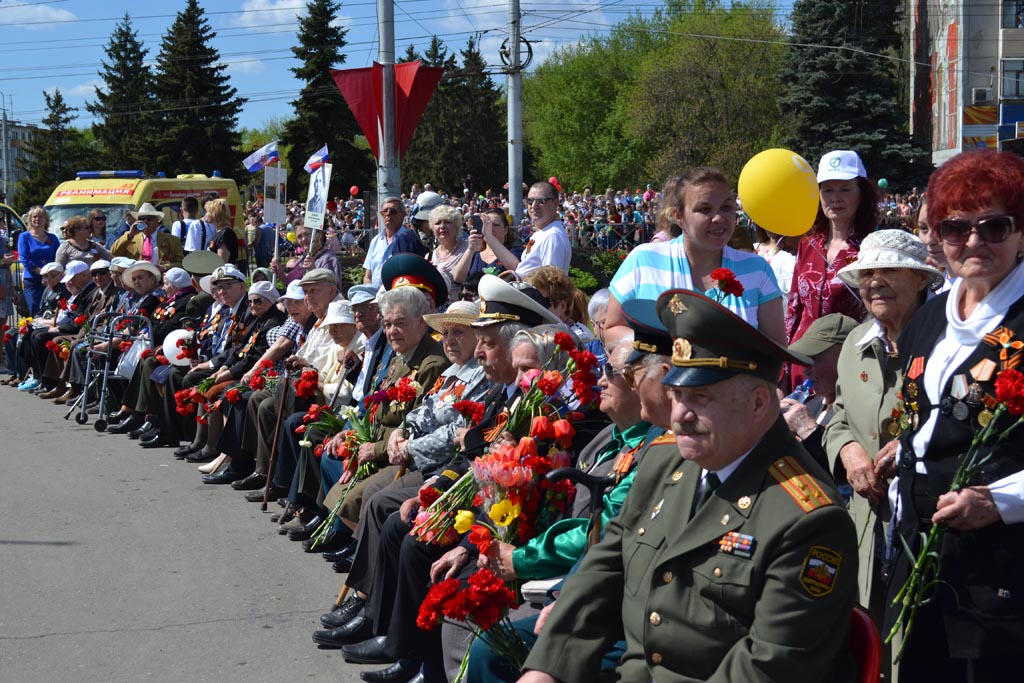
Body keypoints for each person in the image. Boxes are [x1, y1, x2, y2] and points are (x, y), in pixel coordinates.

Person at [518, 288, 858, 683]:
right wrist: (545, 669)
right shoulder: (664, 461)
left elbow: (770, 666)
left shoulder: (807, 519)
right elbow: (605, 571)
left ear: (759, 403)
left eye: (700, 397)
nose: (680, 415)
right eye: (676, 394)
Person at [884, 149, 1024, 680]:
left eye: (994, 226)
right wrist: (906, 444)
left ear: (1021, 232)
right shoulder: (929, 317)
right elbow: (926, 410)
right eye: (955, 227)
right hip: (921, 560)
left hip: (1004, 577)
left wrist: (1003, 501)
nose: (973, 242)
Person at [604, 168, 786, 343]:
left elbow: (775, 346)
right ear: (679, 216)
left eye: (726, 207)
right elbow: (612, 329)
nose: (718, 218)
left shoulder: (757, 269)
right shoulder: (643, 260)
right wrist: (660, 350)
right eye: (704, 209)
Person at [786, 150, 875, 349]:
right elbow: (794, 308)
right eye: (827, 190)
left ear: (862, 193)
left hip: (848, 359)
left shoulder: (871, 249)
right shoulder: (807, 244)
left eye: (845, 189)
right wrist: (785, 364)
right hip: (801, 357)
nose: (836, 198)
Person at [363, 197, 428, 288]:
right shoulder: (375, 241)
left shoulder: (410, 240)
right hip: (374, 297)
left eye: (392, 211)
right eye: (384, 212)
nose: (388, 215)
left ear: (403, 214)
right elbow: (367, 276)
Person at [515, 181, 572, 278]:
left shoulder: (552, 236)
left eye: (540, 201)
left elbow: (551, 282)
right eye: (529, 201)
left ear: (555, 204)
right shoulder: (542, 232)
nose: (533, 206)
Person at [451, 208, 522, 282]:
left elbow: (516, 270)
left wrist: (489, 237)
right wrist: (470, 249)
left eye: (495, 225)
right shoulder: (475, 255)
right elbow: (458, 279)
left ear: (506, 229)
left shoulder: (516, 252)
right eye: (486, 224)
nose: (490, 228)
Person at [111, 203, 184, 270]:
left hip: (161, 279)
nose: (145, 221)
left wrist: (164, 267)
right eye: (141, 218)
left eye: (149, 218)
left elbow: (180, 263)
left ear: (157, 221)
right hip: (136, 278)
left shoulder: (172, 240)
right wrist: (130, 235)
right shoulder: (129, 238)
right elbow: (114, 253)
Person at [17, 206, 60, 314]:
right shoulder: (24, 237)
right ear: (30, 219)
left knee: (51, 311)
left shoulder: (53, 238)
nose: (37, 219)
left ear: (46, 219)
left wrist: (51, 274)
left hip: (51, 281)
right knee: (35, 311)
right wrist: (42, 272)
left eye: (40, 217)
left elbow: (58, 257)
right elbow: (24, 258)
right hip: (32, 281)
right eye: (34, 217)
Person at [426, 205, 468, 303]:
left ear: (457, 226)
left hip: (463, 308)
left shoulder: (469, 249)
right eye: (437, 223)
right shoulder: (429, 256)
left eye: (448, 222)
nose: (442, 226)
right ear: (432, 228)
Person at [206, 198, 240, 268]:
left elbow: (221, 263)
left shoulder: (226, 233)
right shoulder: (219, 232)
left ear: (215, 214)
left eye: (208, 212)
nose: (206, 214)